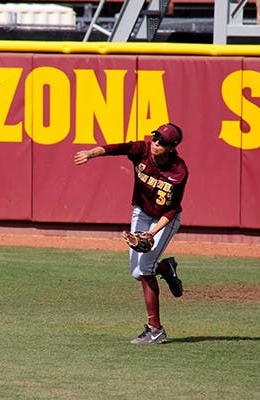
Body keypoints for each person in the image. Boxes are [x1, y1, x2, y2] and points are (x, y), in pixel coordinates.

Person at [73, 123, 188, 345]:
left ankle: (155, 330)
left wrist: (152, 233)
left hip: (165, 219)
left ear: (172, 147)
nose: (155, 144)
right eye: (155, 138)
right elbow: (116, 148)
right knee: (137, 272)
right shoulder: (142, 150)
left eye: (162, 142)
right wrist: (90, 153)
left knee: (144, 270)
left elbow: (172, 209)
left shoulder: (178, 171)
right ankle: (165, 267)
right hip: (142, 212)